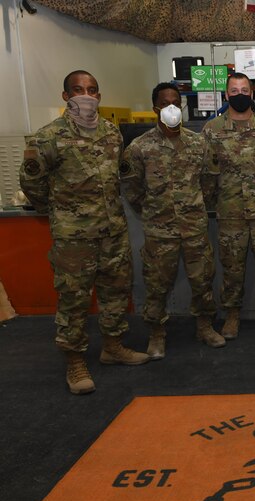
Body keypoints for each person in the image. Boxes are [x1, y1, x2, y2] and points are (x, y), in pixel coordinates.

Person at [19, 70, 148, 395]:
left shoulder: (111, 134)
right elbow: (32, 182)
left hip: (112, 232)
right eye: (78, 90)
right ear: (65, 96)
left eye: (91, 90)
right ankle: (75, 361)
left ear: (99, 96)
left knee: (116, 292)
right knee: (74, 299)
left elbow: (120, 177)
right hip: (74, 238)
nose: (85, 96)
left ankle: (113, 346)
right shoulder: (48, 137)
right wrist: (59, 213)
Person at [121, 83, 225, 358]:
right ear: (155, 107)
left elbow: (209, 183)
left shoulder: (198, 143)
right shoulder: (139, 148)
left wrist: (194, 207)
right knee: (157, 284)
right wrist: (156, 212)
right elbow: (132, 190)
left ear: (181, 105)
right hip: (160, 230)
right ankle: (157, 334)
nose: (171, 107)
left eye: (175, 102)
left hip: (194, 228)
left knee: (203, 280)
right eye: (164, 102)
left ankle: (205, 326)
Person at [202, 73, 255, 338]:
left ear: (251, 94)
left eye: (244, 90)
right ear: (226, 95)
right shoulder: (212, 130)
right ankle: (232, 314)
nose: (239, 94)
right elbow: (206, 172)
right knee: (232, 266)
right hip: (230, 212)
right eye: (234, 90)